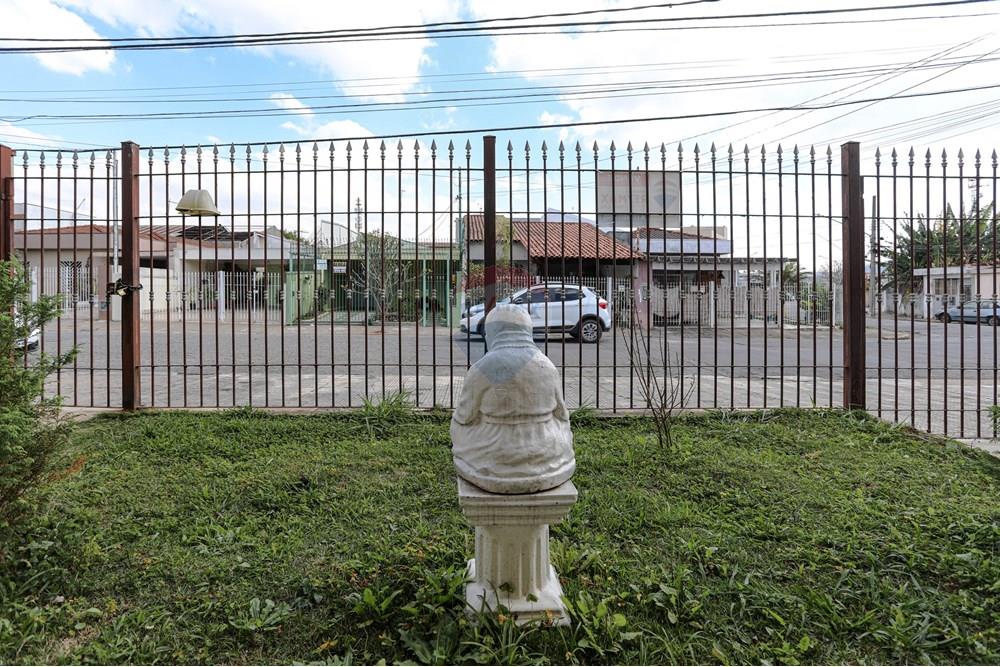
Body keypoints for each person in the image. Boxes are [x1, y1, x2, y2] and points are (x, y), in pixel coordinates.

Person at [451, 304, 575, 494]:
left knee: (458, 425)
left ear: (492, 334)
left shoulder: (481, 368)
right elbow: (562, 414)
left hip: (494, 452)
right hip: (547, 450)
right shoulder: (547, 366)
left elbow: (464, 417)